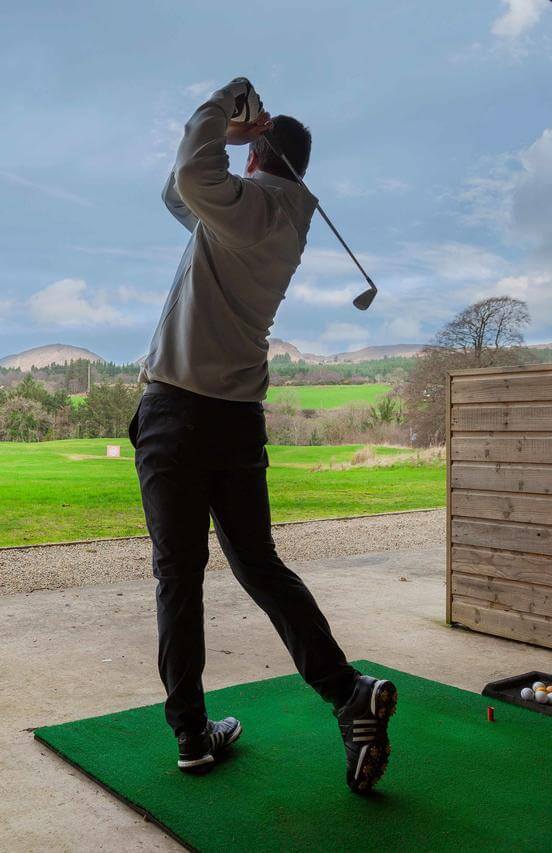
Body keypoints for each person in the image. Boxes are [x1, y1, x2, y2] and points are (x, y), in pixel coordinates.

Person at [129, 77, 397, 794]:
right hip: (235, 419)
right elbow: (175, 193)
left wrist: (224, 109)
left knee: (178, 576)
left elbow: (192, 172)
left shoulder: (252, 206)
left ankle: (190, 732)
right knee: (258, 564)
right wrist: (236, 141)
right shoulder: (265, 214)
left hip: (178, 415)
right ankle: (346, 693)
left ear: (258, 158)